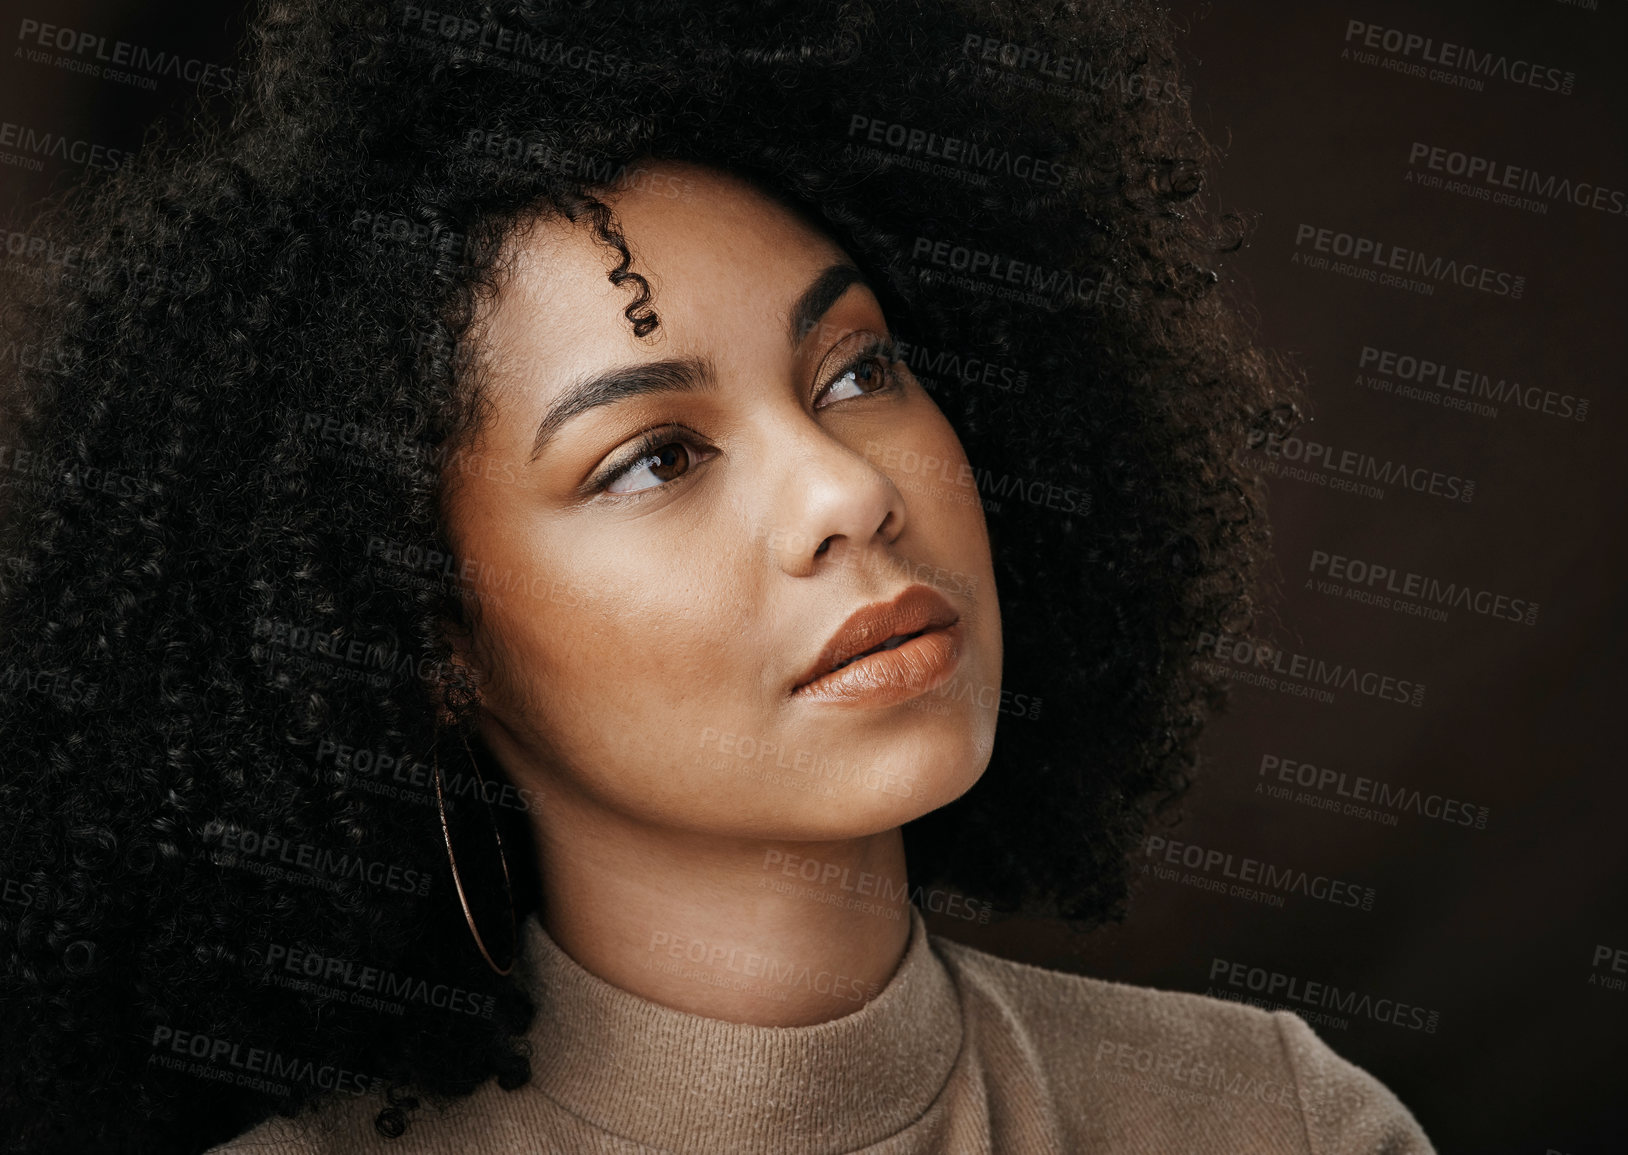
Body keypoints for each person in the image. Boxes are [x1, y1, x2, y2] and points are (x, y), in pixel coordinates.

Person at [0, 1, 1433, 1151]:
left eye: (858, 370)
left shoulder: (1275, 1123)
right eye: (654, 458)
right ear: (427, 636)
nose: (847, 489)